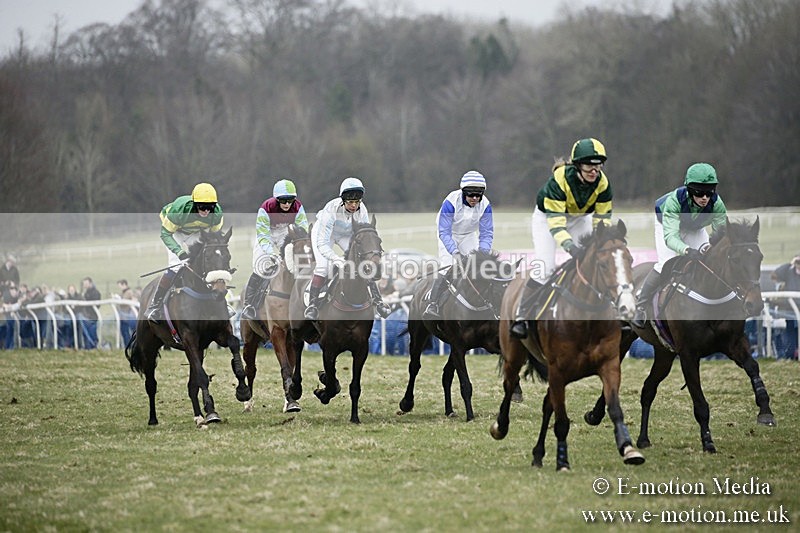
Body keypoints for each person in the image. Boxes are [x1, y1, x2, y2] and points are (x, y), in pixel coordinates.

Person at [510, 138, 613, 338]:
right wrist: (570, 247)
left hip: (580, 217)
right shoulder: (559, 179)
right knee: (545, 267)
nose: (594, 171)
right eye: (589, 165)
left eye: (598, 165)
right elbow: (556, 225)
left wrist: (601, 244)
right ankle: (522, 317)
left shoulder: (603, 183)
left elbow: (602, 221)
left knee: (593, 262)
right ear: (577, 165)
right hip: (547, 219)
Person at [631, 162, 727, 327]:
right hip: (667, 225)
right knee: (665, 264)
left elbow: (720, 235)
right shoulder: (675, 201)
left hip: (695, 227)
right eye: (699, 192)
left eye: (709, 192)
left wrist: (713, 248)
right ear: (689, 190)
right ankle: (640, 304)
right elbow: (670, 237)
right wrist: (687, 250)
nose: (705, 197)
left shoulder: (717, 204)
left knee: (708, 261)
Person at [304, 177, 391, 321]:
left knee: (364, 263)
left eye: (357, 202)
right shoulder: (331, 209)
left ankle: (378, 301)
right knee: (323, 267)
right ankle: (312, 305)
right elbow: (322, 244)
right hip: (324, 235)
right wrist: (336, 259)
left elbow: (361, 234)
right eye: (350, 202)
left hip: (345, 234)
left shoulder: (362, 210)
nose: (353, 205)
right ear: (343, 200)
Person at [144, 182, 224, 322]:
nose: (206, 211)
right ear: (194, 204)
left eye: (210, 207)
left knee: (209, 265)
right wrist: (180, 253)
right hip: (175, 232)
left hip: (195, 232)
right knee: (176, 266)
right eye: (202, 207)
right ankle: (155, 305)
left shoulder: (216, 215)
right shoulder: (180, 211)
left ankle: (222, 304)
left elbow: (214, 240)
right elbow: (165, 235)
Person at [422, 170, 494, 320]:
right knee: (449, 266)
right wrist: (455, 252)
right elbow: (444, 232)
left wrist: (482, 254)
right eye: (470, 194)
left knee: (480, 266)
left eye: (478, 195)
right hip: (449, 235)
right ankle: (433, 303)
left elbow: (487, 233)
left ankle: (489, 303)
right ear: (463, 192)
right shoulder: (451, 201)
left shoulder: (485, 205)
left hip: (469, 235)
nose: (474, 198)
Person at [240, 179, 309, 320]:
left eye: (290, 200)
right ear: (276, 200)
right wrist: (271, 254)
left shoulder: (298, 207)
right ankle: (249, 304)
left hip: (286, 232)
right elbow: (263, 235)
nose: (287, 204)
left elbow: (303, 228)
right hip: (268, 234)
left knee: (296, 264)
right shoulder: (266, 208)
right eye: (283, 201)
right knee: (261, 267)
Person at [770, 252, 800, 359]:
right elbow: (774, 275)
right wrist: (790, 264)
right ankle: (791, 355)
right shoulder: (789, 270)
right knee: (791, 332)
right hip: (790, 310)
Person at [79, 276, 102, 349]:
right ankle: (87, 347)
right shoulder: (86, 293)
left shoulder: (96, 292)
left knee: (92, 333)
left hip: (92, 316)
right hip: (86, 316)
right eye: (84, 284)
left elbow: (97, 304)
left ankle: (93, 346)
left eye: (86, 283)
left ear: (90, 283)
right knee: (86, 333)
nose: (84, 285)